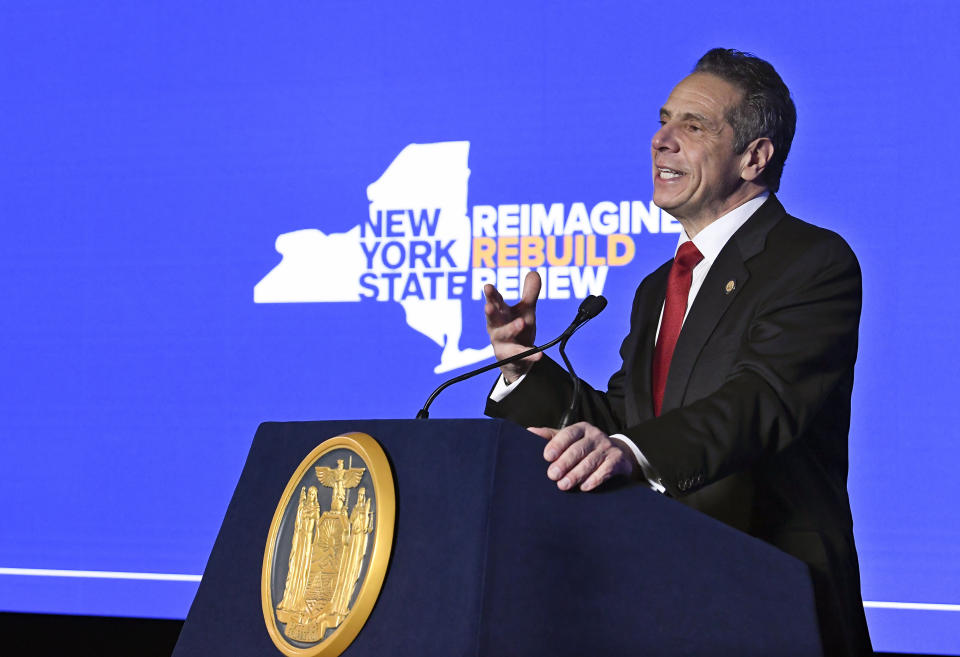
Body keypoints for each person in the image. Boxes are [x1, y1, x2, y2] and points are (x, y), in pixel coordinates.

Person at [483, 48, 872, 656]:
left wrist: (631, 451)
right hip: (658, 602)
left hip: (772, 599)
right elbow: (620, 424)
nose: (661, 140)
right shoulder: (655, 287)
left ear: (754, 157)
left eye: (693, 126)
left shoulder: (811, 262)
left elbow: (761, 400)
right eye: (664, 120)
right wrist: (524, 368)